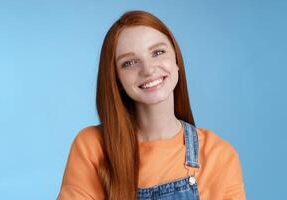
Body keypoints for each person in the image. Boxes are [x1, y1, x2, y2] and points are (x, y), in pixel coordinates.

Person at [57, 10, 246, 200]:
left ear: (176, 59)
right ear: (116, 80)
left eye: (158, 52)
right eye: (129, 62)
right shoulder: (92, 147)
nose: (148, 70)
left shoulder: (219, 155)